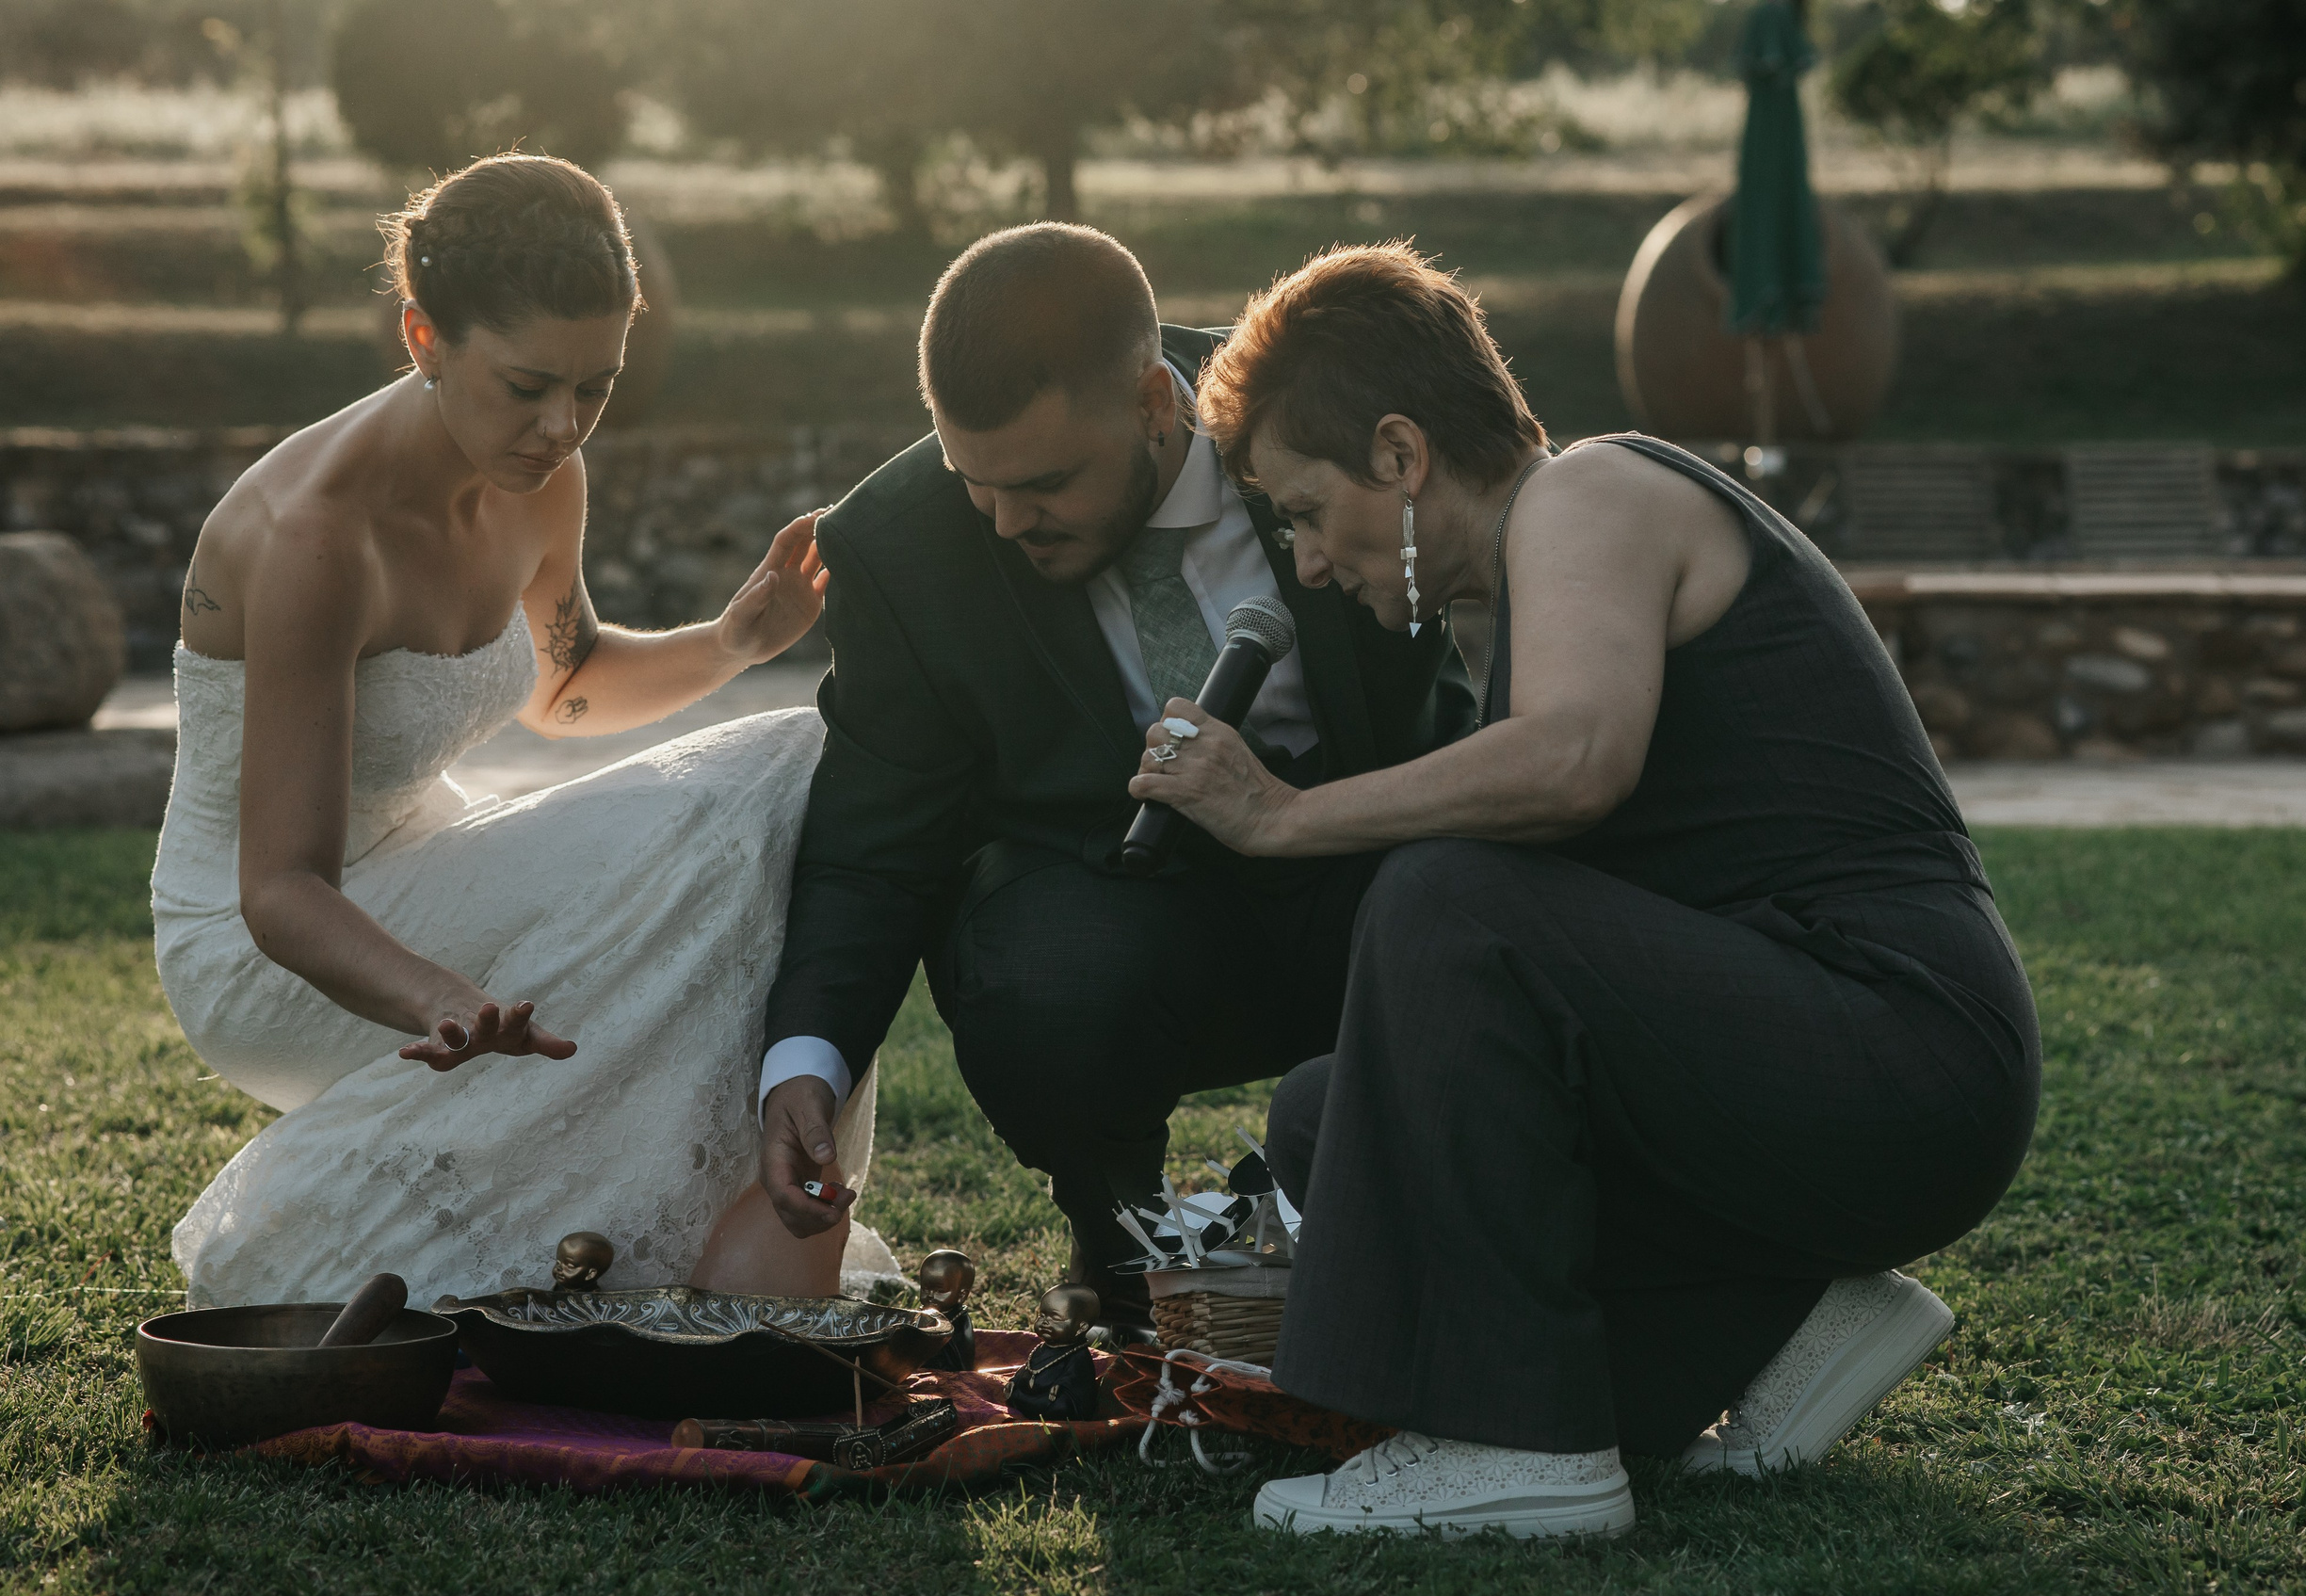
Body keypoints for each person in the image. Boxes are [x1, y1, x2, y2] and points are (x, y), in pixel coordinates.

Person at [1133, 243, 2040, 1539]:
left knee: (1447, 897)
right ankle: (1784, 1316)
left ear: (1399, 454)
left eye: (1300, 507)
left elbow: (1577, 761)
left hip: (1903, 1050)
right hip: (1795, 1073)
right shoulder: (1497, 604)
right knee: (1331, 1116)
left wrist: (1279, 816)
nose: (1307, 562)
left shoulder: (1592, 492)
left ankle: (1521, 1440)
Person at [158, 153, 896, 1308]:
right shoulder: (313, 538)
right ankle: (311, 1243)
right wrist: (437, 997)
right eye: (528, 384)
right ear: (422, 337)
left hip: (424, 860)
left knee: (791, 770)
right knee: (781, 768)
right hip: (265, 942)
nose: (561, 425)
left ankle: (733, 1233)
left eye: (594, 387)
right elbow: (280, 890)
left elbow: (567, 689)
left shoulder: (539, 472)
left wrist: (735, 641)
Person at [751, 224, 1475, 1331]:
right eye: (972, 481)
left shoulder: (1314, 417)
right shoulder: (901, 547)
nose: (1002, 521)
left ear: (1153, 403)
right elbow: (872, 842)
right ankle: (1120, 1239)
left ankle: (1414, 1219)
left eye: (1041, 482)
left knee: (1463, 910)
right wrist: (806, 1059)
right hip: (1109, 897)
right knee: (1041, 971)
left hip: (1360, 856)